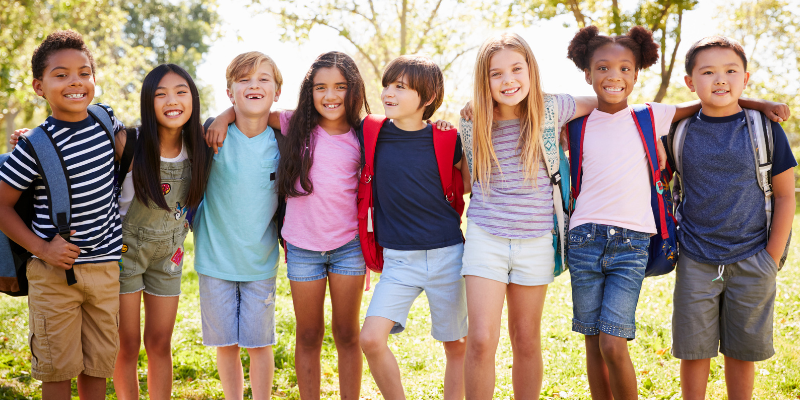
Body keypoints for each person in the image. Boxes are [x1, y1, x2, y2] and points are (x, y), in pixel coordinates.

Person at [564, 26, 790, 400]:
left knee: (734, 352)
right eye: (603, 68)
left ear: (637, 74)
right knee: (621, 344)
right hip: (635, 248)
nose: (615, 76)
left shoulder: (660, 116)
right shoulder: (594, 123)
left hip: (711, 252)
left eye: (625, 68)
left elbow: (715, 105)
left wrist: (762, 105)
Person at [206, 51, 371, 400]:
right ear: (308, 92)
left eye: (340, 87)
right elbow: (254, 111)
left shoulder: (364, 134)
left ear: (353, 89)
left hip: (348, 247)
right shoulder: (294, 124)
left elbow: (405, 124)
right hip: (302, 248)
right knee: (308, 334)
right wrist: (221, 117)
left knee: (347, 333)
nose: (330, 96)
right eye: (320, 87)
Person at [457, 32, 596, 399]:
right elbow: (466, 178)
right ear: (484, 80)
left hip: (537, 239)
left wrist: (657, 143)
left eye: (517, 69)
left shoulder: (553, 109)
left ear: (531, 71)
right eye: (496, 74)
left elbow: (609, 99)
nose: (508, 81)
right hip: (486, 236)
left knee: (526, 339)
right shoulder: (472, 122)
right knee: (482, 339)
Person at [0, 30, 125, 400]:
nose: (75, 81)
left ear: (94, 79)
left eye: (84, 72)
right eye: (61, 74)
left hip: (104, 269)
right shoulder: (33, 147)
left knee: (97, 365)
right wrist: (43, 248)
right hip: (53, 274)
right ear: (39, 86)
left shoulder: (106, 121)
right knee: (56, 368)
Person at [670, 36, 795, 400]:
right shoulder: (679, 130)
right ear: (691, 83)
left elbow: (786, 195)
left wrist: (770, 257)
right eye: (707, 72)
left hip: (754, 255)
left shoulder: (765, 128)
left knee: (742, 352)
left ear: (746, 78)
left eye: (730, 71)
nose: (720, 79)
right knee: (694, 351)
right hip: (696, 258)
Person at [358, 55, 469, 400]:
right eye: (387, 85)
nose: (389, 92)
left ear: (428, 97)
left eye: (400, 87)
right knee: (371, 340)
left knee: (456, 347)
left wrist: (462, 128)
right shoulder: (371, 131)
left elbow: (466, 185)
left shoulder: (448, 138)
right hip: (399, 261)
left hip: (448, 254)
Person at [112, 64, 212, 400]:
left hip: (170, 255)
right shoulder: (128, 141)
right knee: (126, 344)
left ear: (193, 99)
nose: (173, 100)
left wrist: (224, 118)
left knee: (159, 342)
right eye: (161, 94)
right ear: (148, 101)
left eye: (181, 91)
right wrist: (29, 137)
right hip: (126, 253)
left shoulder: (199, 145)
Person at [193, 51, 282, 400]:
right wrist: (221, 117)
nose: (254, 85)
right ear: (230, 91)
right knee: (226, 345)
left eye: (263, 79)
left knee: (260, 345)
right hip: (215, 261)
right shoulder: (212, 137)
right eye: (244, 80)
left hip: (260, 262)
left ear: (276, 91)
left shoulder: (283, 141)